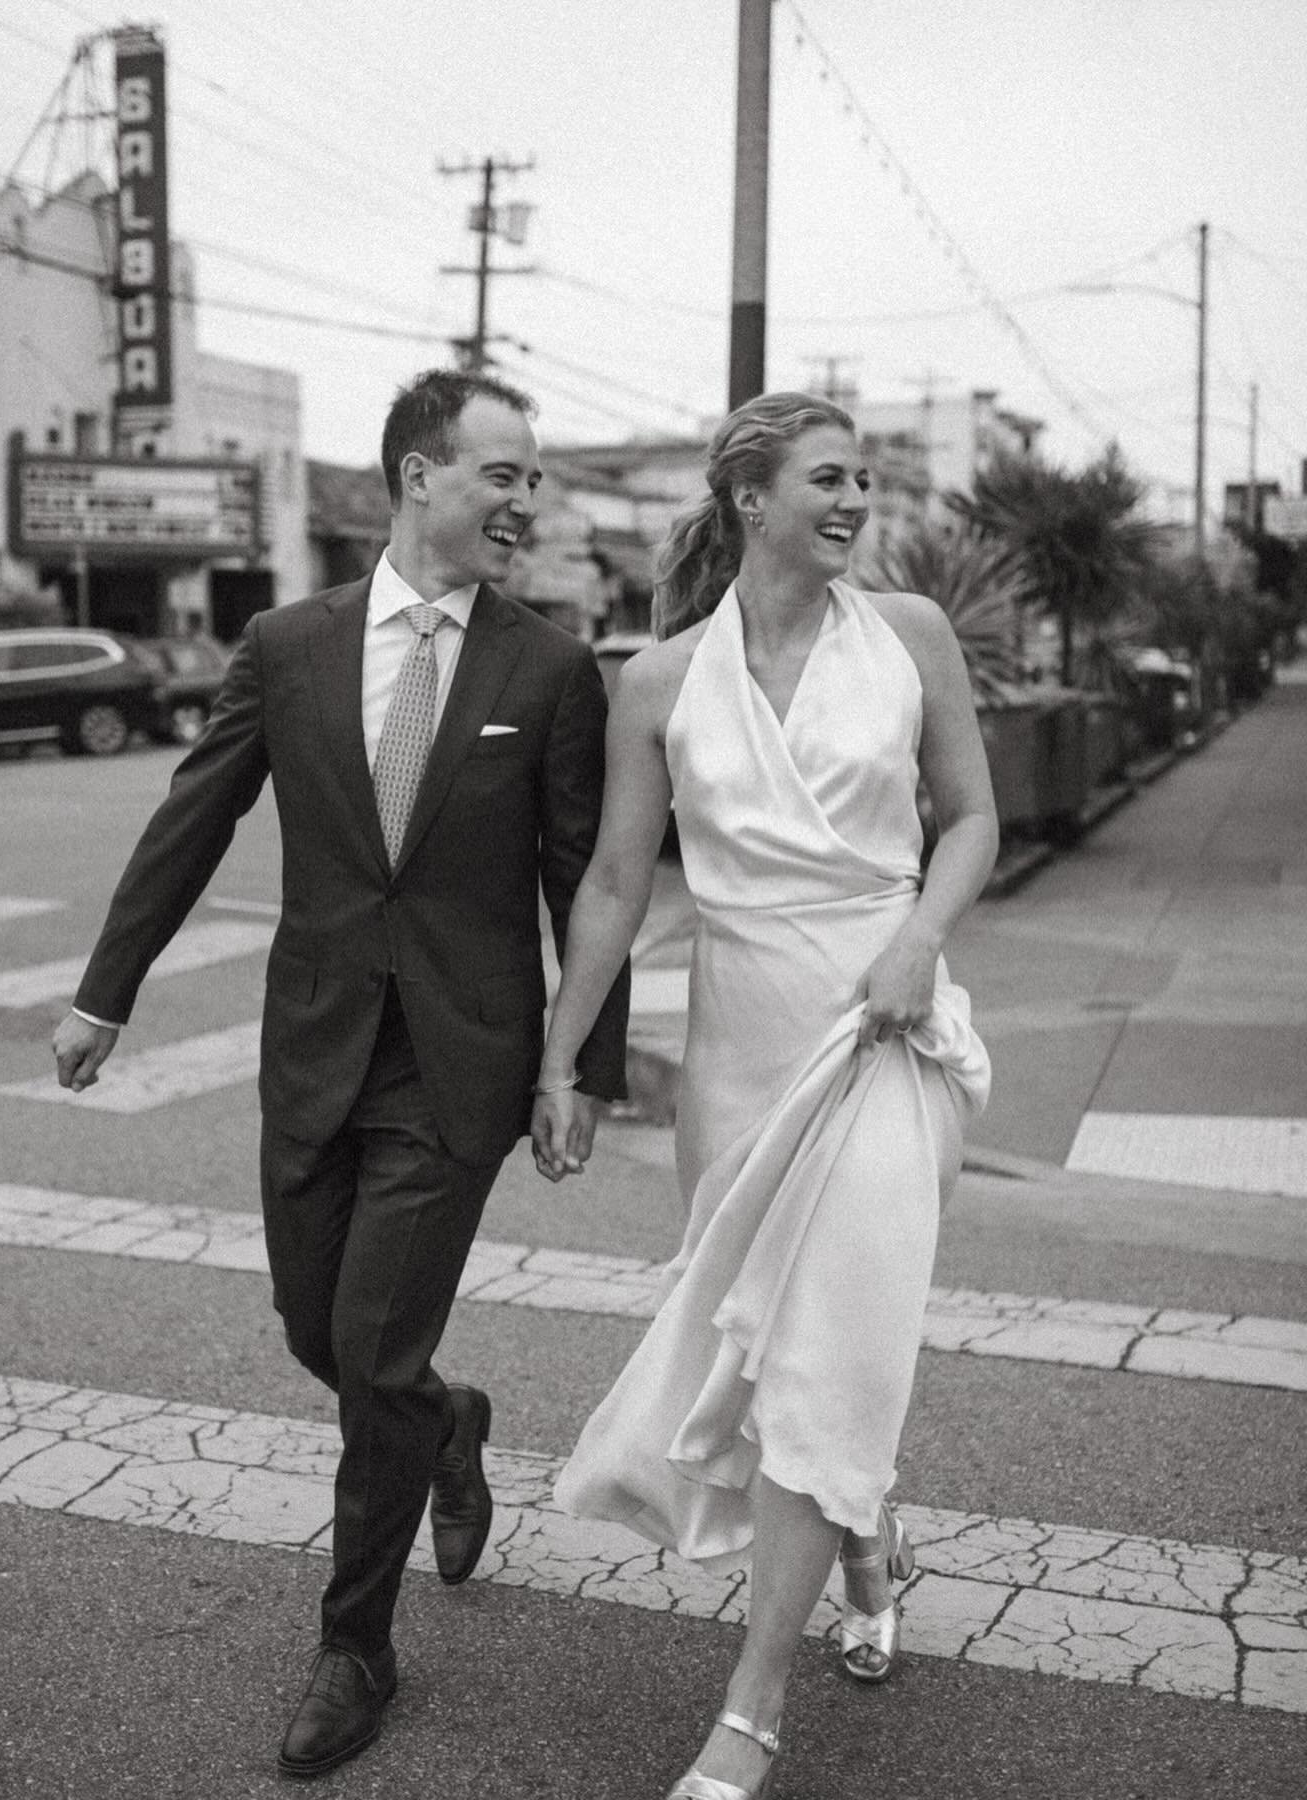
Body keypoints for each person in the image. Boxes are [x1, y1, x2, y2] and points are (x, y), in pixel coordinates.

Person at [52, 368, 630, 1781]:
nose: (523, 501)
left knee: (368, 1351)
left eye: (533, 478)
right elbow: (192, 821)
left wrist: (578, 1069)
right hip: (314, 1047)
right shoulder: (288, 644)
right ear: (418, 477)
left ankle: (355, 1646)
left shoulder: (548, 670)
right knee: (323, 1336)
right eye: (503, 474)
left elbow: (582, 882)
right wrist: (102, 993)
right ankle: (449, 1423)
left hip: (459, 1066)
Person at [531, 391, 995, 1799]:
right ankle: (867, 1540)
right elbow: (616, 884)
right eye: (828, 480)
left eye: (864, 481)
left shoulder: (911, 636)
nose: (855, 503)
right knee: (785, 1359)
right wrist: (561, 1060)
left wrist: (919, 939)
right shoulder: (659, 680)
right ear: (749, 498)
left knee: (823, 1345)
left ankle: (754, 1705)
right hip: (737, 1051)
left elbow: (973, 816)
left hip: (883, 1036)